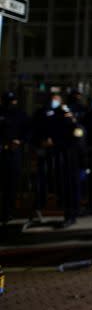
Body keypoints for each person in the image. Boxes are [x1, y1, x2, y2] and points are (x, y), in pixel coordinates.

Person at [31, 91, 85, 228]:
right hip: (62, 159)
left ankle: (71, 215)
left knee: (71, 188)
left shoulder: (70, 122)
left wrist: (56, 142)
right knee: (65, 188)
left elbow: (74, 138)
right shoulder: (56, 120)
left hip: (70, 159)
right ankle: (69, 214)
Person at [0, 91, 31, 223]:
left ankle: (8, 212)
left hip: (14, 153)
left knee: (11, 184)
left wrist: (20, 141)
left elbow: (28, 131)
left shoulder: (20, 114)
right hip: (1, 151)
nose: (11, 103)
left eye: (12, 100)